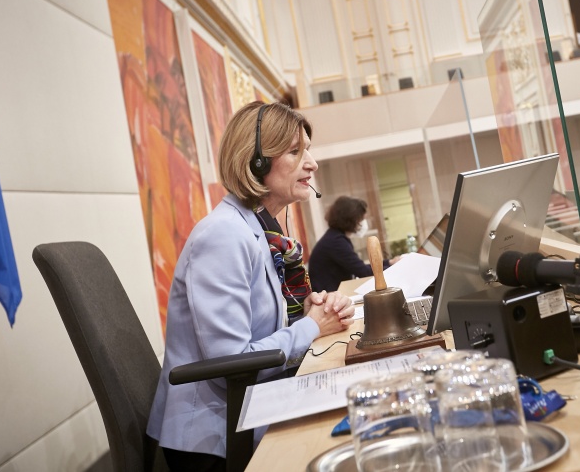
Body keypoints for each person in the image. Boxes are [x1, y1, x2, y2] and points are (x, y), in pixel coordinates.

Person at [147, 101, 354, 471]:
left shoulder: (254, 230)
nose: (312, 163)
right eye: (296, 151)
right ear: (256, 163)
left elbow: (257, 331)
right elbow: (234, 364)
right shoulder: (224, 235)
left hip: (244, 412)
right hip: (212, 441)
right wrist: (312, 327)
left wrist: (306, 313)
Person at [309, 196, 400, 293]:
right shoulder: (336, 242)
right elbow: (363, 272)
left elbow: (359, 267)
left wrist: (389, 262)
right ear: (351, 219)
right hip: (328, 297)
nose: (362, 223)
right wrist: (396, 267)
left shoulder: (335, 237)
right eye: (361, 219)